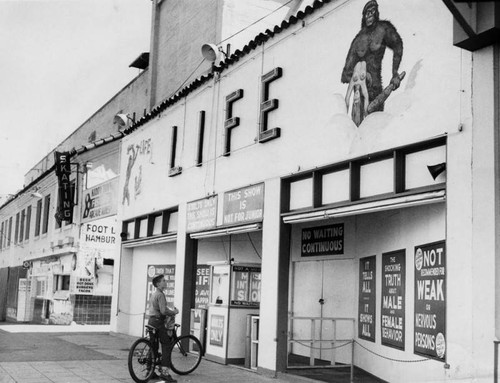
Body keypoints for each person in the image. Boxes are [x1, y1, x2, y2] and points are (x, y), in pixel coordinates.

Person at [341, 0, 403, 113]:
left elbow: (398, 45)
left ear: (376, 13)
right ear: (364, 16)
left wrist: (395, 73)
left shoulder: (383, 29)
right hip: (358, 96)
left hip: (376, 90)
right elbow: (346, 74)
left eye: (372, 11)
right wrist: (362, 75)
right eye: (367, 12)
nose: (369, 14)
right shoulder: (358, 40)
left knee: (377, 125)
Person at [148, 274, 179, 382]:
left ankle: (149, 371)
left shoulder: (154, 294)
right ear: (158, 284)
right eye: (163, 281)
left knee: (153, 345)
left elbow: (159, 307)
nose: (165, 282)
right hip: (158, 322)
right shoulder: (161, 295)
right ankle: (165, 373)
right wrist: (173, 312)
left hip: (151, 321)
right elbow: (163, 311)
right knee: (166, 345)